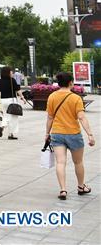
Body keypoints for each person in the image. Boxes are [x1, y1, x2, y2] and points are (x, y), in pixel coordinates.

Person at [46, 72, 95, 200]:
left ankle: (63, 190)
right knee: (78, 162)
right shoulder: (76, 98)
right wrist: (90, 134)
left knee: (60, 162)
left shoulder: (52, 97)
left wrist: (47, 133)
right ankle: (80, 187)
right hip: (73, 134)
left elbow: (50, 117)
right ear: (70, 83)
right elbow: (81, 117)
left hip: (57, 133)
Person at [0, 66, 26, 140]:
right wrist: (23, 98)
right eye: (11, 71)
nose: (12, 72)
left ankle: (3, 127)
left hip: (3, 100)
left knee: (5, 116)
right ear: (8, 72)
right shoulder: (12, 80)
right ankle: (10, 133)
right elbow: (18, 90)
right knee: (13, 118)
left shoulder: (0, 81)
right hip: (11, 100)